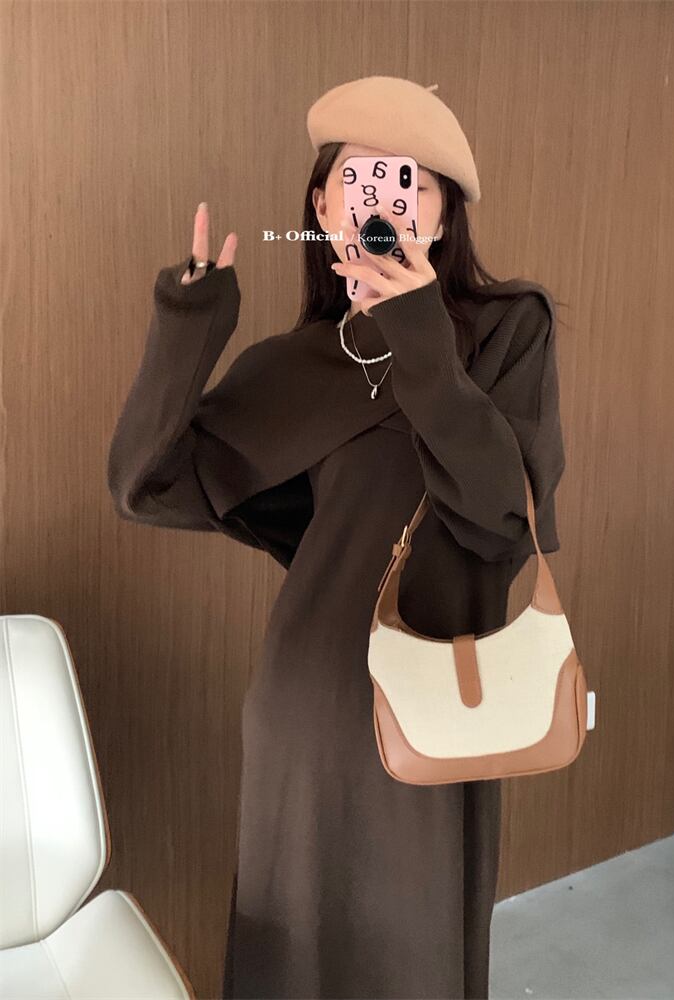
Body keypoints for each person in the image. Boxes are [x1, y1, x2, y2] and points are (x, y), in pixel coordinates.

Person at [107, 75, 566, 1000]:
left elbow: (501, 525)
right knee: (296, 957)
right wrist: (190, 322)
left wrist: (420, 337)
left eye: (412, 181)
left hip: (441, 699)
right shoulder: (297, 364)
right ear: (322, 207)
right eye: (360, 177)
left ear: (444, 215)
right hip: (310, 708)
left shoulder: (507, 330)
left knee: (416, 954)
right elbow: (144, 487)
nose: (385, 201)